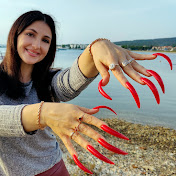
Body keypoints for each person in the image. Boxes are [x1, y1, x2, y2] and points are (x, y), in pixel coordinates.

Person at [0, 10, 157, 176]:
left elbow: (69, 83)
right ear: (14, 36)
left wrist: (96, 48)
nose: (37, 45)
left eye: (45, 40)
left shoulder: (48, 80)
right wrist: (43, 113)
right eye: (30, 34)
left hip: (55, 167)